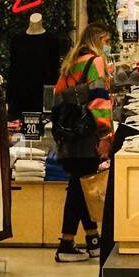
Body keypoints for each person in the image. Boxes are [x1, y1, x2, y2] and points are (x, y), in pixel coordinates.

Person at [52, 23, 113, 263]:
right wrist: (105, 133)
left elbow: (57, 98)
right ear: (99, 39)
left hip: (69, 136)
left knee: (80, 186)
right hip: (87, 135)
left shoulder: (70, 64)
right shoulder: (95, 62)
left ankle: (92, 240)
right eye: (106, 41)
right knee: (81, 188)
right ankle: (66, 244)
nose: (107, 46)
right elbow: (99, 101)